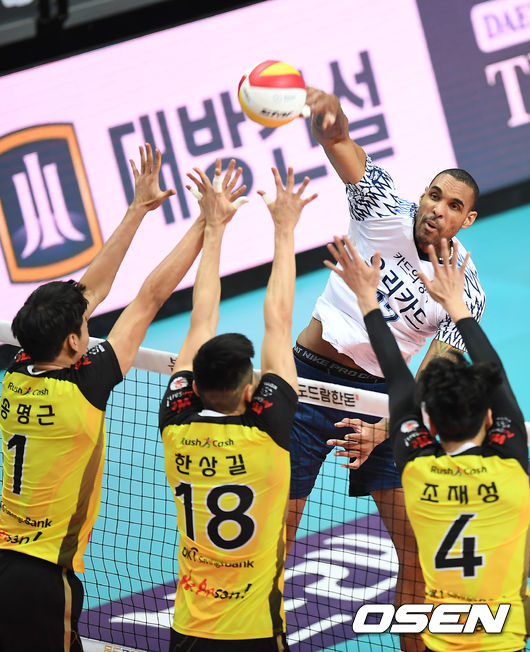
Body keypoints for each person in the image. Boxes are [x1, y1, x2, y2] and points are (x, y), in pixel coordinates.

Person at [0, 144, 239, 652]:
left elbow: (88, 293)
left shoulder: (17, 369)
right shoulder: (85, 388)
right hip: (45, 578)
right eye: (83, 324)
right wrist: (207, 222)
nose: (89, 318)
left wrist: (138, 208)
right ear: (72, 342)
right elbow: (150, 298)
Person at [287, 87, 486, 651]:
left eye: (453, 206)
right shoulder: (380, 208)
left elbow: (432, 378)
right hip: (309, 385)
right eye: (434, 195)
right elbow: (340, 142)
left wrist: (382, 430)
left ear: (467, 220)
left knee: (419, 553)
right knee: (274, 548)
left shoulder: (464, 289)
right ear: (421, 195)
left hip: (384, 402)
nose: (438, 209)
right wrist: (329, 118)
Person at [325, 234, 529, 651]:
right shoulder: (511, 466)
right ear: (490, 418)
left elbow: (398, 380)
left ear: (429, 422)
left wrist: (368, 300)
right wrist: (458, 306)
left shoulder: (417, 469)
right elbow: (494, 372)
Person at [158, 160, 316, 652]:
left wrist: (214, 228)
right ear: (251, 393)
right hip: (255, 634)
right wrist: (285, 229)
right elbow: (279, 323)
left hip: (191, 630)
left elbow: (200, 321)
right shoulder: (268, 432)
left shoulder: (175, 422)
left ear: (194, 386)